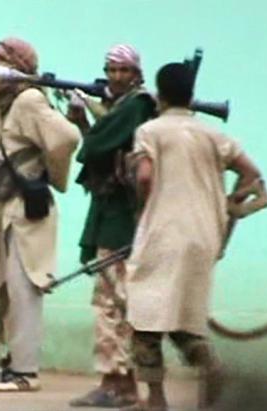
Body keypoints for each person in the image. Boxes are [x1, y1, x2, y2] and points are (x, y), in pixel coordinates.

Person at [123, 62, 262, 411]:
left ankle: (155, 400)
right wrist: (229, 204)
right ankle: (211, 367)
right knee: (182, 314)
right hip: (204, 236)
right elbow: (251, 174)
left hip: (163, 234)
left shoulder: (150, 131)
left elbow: (143, 177)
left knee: (145, 315)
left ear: (160, 95)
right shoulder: (214, 135)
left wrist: (142, 203)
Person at [0, 37, 81, 392]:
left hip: (23, 208)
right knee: (2, 289)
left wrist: (46, 173)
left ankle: (26, 371)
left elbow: (66, 137)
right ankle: (9, 363)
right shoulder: (7, 101)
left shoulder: (29, 99)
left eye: (1, 60)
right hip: (1, 207)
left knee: (23, 288)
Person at [67, 44, 156, 408]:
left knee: (110, 303)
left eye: (123, 71)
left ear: (136, 73)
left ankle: (116, 382)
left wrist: (85, 115)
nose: (117, 77)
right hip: (112, 213)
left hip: (122, 217)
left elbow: (98, 146)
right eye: (111, 70)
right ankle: (119, 381)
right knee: (114, 302)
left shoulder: (136, 105)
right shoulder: (126, 107)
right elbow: (99, 143)